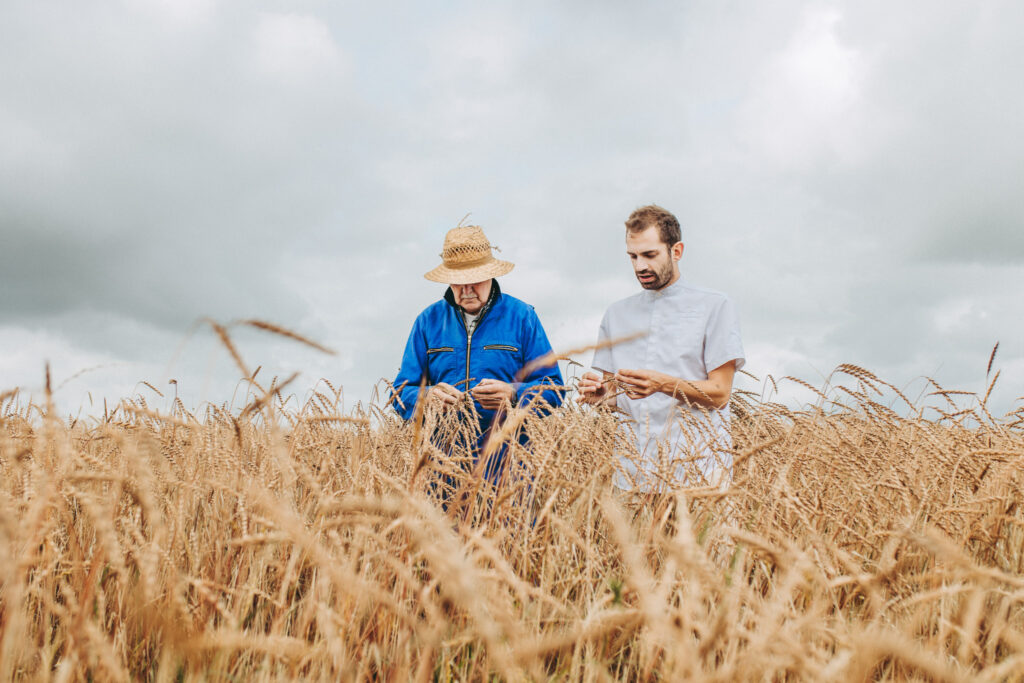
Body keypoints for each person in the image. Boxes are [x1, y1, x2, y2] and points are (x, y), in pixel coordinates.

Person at [391, 224, 564, 504]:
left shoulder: (523, 317)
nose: (467, 289)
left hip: (509, 473)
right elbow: (400, 393)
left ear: (491, 274)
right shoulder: (428, 321)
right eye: (458, 281)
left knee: (507, 547)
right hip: (442, 475)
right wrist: (427, 397)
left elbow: (554, 390)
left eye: (475, 279)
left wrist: (513, 394)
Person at [579, 205, 745, 492]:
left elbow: (720, 393)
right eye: (633, 256)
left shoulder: (715, 306)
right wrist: (600, 397)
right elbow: (614, 399)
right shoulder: (615, 315)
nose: (640, 266)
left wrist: (662, 383)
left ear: (676, 251)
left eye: (650, 255)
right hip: (633, 477)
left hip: (701, 477)